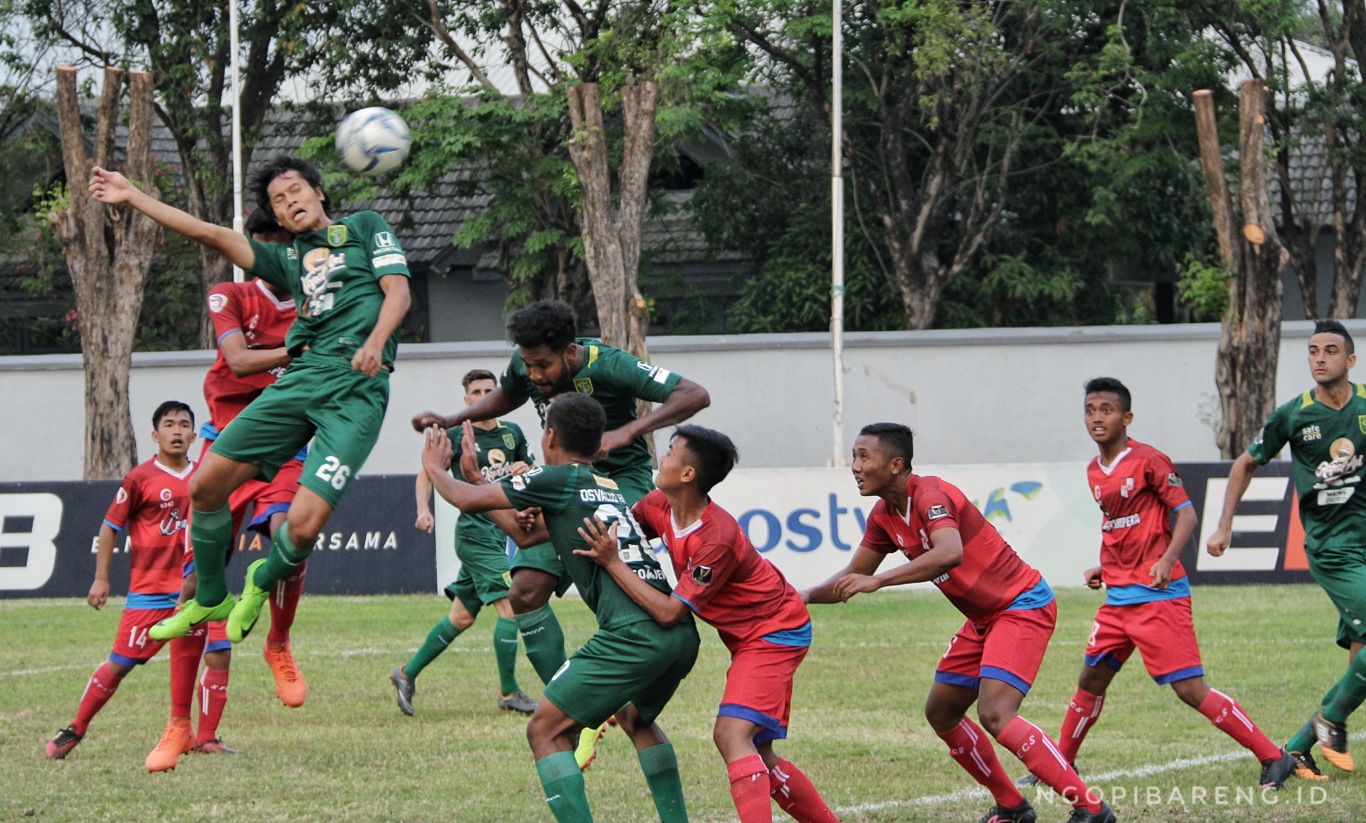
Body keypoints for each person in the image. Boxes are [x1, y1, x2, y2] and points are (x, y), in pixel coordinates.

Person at [88, 157, 412, 650]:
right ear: (277, 220)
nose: (291, 202)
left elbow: (399, 292)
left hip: (356, 391)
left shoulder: (365, 228)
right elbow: (209, 233)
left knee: (301, 530)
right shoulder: (287, 261)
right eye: (280, 202)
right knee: (205, 486)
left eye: (297, 191)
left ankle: (261, 582)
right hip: (302, 378)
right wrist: (133, 196)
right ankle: (212, 596)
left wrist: (375, 341)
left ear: (319, 193)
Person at [411, 298, 709, 765]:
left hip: (621, 485)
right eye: (526, 364)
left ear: (569, 352)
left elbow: (694, 394)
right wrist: (453, 419)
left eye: (541, 365)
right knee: (526, 588)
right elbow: (506, 395)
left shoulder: (609, 364)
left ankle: (623, 676)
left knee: (563, 546)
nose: (532, 374)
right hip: (567, 478)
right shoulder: (526, 362)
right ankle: (577, 711)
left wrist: (628, 432)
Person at [806, 423, 1115, 823]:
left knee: (997, 714)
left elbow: (948, 552)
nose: (855, 466)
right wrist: (800, 597)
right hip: (985, 617)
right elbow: (853, 576)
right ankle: (1012, 806)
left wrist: (879, 581)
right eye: (855, 456)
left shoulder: (931, 494)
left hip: (1022, 604)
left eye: (864, 456)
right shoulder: (884, 515)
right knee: (941, 711)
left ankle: (1091, 808)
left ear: (896, 464)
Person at [420, 393, 699, 823]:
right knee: (635, 719)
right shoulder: (602, 484)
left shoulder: (558, 478)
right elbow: (528, 535)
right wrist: (475, 477)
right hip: (679, 637)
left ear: (550, 435)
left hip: (634, 634)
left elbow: (464, 501)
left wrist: (437, 467)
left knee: (545, 730)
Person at [1023, 377, 1296, 791]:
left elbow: (1185, 515)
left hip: (1158, 598)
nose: (1097, 418)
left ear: (1126, 417)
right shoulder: (1095, 470)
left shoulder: (1150, 460)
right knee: (1090, 681)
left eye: (1107, 410)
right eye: (1091, 410)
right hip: (1118, 599)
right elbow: (1115, 525)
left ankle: (1273, 757)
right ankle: (1063, 766)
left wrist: (1168, 560)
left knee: (1189, 689)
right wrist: (1103, 566)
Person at [576, 425, 839, 823]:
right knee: (759, 754)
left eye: (669, 452)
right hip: (751, 634)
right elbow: (618, 534)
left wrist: (611, 562)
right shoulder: (657, 505)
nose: (659, 459)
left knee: (731, 735)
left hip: (775, 632)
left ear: (687, 474)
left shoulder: (716, 536)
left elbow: (669, 612)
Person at [1208, 319, 1366, 775]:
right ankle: (1330, 719)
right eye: (1313, 350)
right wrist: (1224, 528)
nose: (1319, 357)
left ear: (1350, 360)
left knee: (1362, 654)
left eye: (1330, 350)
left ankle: (1295, 749)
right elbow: (1244, 463)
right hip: (1332, 549)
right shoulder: (1294, 414)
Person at [44, 401, 196, 765]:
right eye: (170, 424)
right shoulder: (140, 478)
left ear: (194, 434)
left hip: (194, 591)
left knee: (217, 652)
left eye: (184, 425)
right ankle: (77, 727)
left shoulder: (206, 475)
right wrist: (101, 579)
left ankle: (201, 737)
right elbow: (110, 527)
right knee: (120, 663)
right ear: (155, 435)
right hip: (149, 593)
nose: (177, 431)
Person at [392, 368, 538, 716]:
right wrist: (422, 509)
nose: (483, 396)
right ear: (466, 399)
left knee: (461, 618)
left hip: (498, 532)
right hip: (474, 535)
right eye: (476, 392)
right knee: (511, 607)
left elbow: (532, 473)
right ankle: (508, 692)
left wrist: (523, 471)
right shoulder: (456, 435)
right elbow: (428, 471)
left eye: (489, 390)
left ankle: (405, 673)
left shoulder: (512, 433)